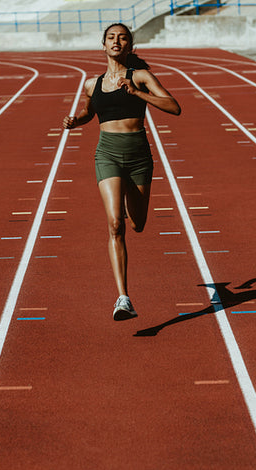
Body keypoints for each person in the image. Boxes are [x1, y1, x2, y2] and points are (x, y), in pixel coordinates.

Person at [63, 23, 181, 321]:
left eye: (123, 37)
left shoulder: (140, 77)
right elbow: (89, 112)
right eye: (111, 38)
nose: (117, 41)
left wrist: (137, 93)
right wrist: (76, 121)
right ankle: (123, 298)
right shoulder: (92, 83)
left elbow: (174, 106)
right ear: (103, 45)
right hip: (108, 154)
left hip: (139, 156)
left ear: (130, 45)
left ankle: (128, 196)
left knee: (138, 223)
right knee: (116, 224)